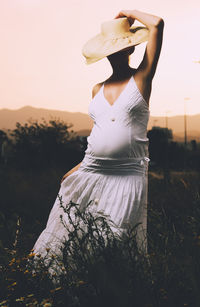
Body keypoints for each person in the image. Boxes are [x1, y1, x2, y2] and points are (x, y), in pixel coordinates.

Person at [31, 10, 164, 273]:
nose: (116, 53)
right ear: (105, 53)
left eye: (121, 47)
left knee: (114, 240)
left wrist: (128, 14)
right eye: (111, 49)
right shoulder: (97, 88)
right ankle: (63, 289)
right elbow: (99, 132)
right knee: (68, 232)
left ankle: (112, 291)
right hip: (92, 168)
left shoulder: (142, 78)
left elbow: (158, 24)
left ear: (130, 50)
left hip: (128, 174)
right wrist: (80, 166)